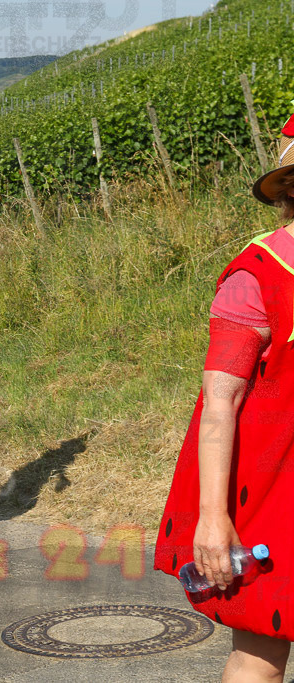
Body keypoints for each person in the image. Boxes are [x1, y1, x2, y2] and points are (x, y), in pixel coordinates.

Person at [154, 111, 294, 679]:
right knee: (262, 651)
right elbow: (219, 406)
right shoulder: (260, 274)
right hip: (276, 493)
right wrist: (212, 518)